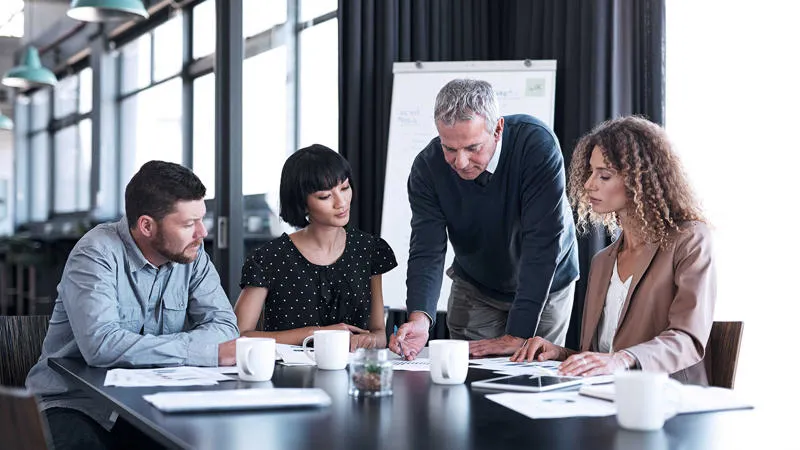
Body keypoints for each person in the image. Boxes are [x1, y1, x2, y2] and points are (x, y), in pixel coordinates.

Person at [26, 161, 240, 450]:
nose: (202, 233)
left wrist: (205, 348)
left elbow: (225, 329)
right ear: (147, 225)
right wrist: (202, 350)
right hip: (76, 403)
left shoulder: (192, 255)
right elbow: (101, 346)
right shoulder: (96, 253)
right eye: (189, 224)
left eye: (201, 219)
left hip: (152, 403)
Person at [511, 116, 716, 384]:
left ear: (640, 180)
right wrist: (560, 354)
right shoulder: (602, 261)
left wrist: (622, 359)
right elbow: (602, 356)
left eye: (604, 175)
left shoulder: (690, 239)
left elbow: (688, 338)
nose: (589, 184)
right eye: (591, 172)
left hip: (668, 401)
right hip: (606, 399)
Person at [389, 79, 580, 359]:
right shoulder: (427, 168)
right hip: (476, 285)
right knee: (469, 382)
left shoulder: (536, 145)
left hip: (546, 284)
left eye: (473, 148)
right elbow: (427, 249)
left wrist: (519, 333)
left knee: (533, 380)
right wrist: (420, 318)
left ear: (498, 128)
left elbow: (543, 243)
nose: (461, 162)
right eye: (449, 149)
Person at [234, 144, 397, 351]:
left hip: (351, 374)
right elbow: (240, 336)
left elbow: (378, 333)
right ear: (302, 203)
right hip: (287, 377)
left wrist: (368, 341)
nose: (341, 202)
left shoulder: (368, 249)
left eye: (345, 188)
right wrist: (315, 334)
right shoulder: (269, 258)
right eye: (325, 196)